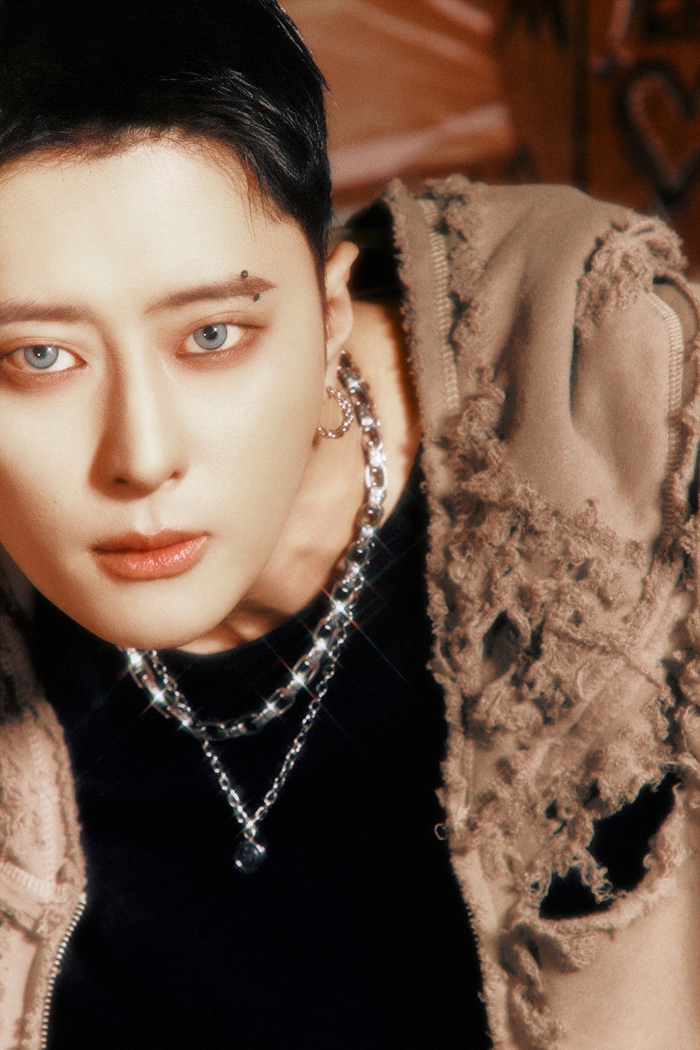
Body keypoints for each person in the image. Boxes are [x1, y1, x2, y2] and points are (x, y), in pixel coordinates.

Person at [0, 1, 696, 1048]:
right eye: (39, 357)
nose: (141, 455)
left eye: (214, 335)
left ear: (328, 317)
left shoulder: (609, 399)